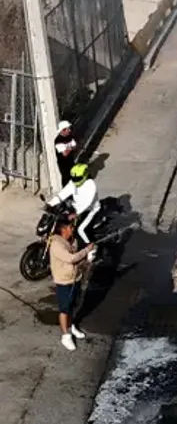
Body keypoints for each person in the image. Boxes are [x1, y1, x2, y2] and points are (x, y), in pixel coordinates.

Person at [49, 216, 95, 351]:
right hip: (64, 281)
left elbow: (76, 258)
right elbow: (71, 258)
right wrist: (86, 250)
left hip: (75, 278)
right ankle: (65, 335)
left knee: (73, 305)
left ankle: (72, 325)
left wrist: (87, 259)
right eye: (70, 227)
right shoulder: (57, 245)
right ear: (63, 229)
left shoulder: (71, 240)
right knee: (64, 308)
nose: (72, 229)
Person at [47, 163, 100, 246]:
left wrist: (75, 213)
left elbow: (86, 202)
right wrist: (50, 204)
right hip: (75, 208)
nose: (75, 180)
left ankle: (90, 248)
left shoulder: (91, 185)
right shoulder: (73, 182)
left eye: (77, 178)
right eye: (73, 178)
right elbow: (62, 194)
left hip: (90, 210)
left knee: (80, 229)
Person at [53, 119, 77, 186]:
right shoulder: (58, 140)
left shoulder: (70, 136)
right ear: (63, 130)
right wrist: (70, 148)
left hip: (71, 160)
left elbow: (75, 146)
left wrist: (69, 149)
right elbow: (65, 154)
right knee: (66, 178)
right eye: (68, 129)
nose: (69, 130)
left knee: (74, 176)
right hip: (63, 163)